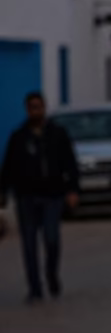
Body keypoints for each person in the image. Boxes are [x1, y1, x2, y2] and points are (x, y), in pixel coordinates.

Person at [0, 91, 79, 302]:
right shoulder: (18, 138)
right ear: (27, 110)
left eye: (39, 106)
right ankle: (34, 288)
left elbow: (70, 162)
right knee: (28, 245)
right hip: (26, 197)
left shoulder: (57, 134)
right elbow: (8, 168)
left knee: (52, 239)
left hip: (52, 196)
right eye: (32, 107)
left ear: (44, 107)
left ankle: (51, 274)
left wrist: (72, 189)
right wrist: (3, 194)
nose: (36, 110)